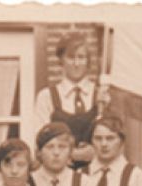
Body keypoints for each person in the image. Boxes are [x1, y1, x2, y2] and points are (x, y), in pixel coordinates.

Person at [34, 34, 108, 167]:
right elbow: (40, 143)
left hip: (95, 172)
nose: (76, 63)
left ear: (88, 61)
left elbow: (113, 140)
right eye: (71, 57)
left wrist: (96, 151)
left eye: (81, 57)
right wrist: (72, 154)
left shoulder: (102, 96)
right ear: (61, 61)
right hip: (59, 172)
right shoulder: (47, 97)